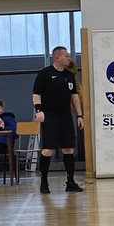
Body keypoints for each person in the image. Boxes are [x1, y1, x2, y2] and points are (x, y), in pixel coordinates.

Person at [33, 46, 85, 194]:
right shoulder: (44, 74)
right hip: (50, 115)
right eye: (66, 56)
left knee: (68, 148)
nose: (69, 58)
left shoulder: (69, 76)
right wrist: (39, 110)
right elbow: (36, 94)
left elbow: (74, 96)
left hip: (65, 115)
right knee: (48, 149)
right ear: (57, 57)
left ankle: (70, 182)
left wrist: (79, 115)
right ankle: (44, 182)